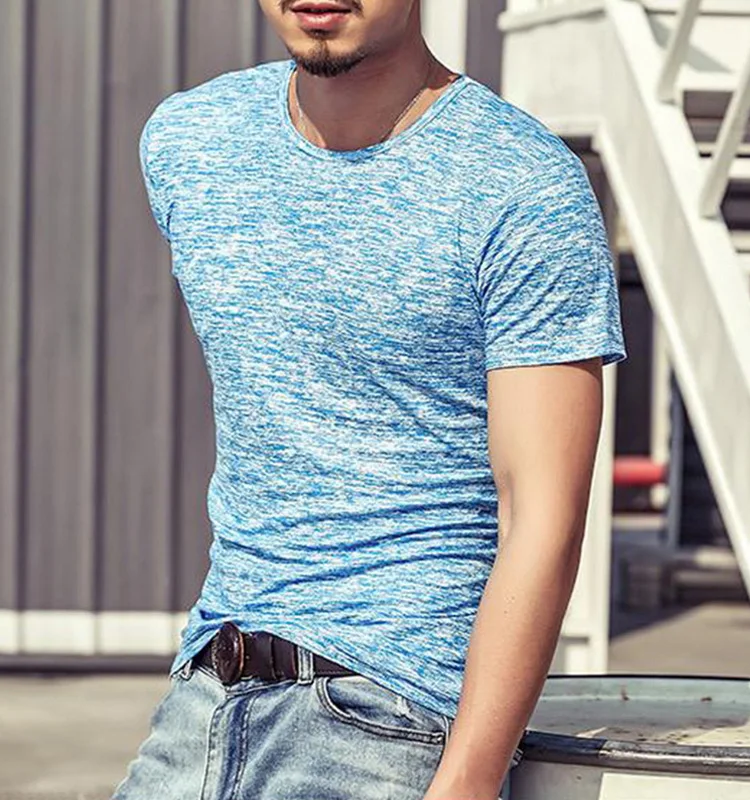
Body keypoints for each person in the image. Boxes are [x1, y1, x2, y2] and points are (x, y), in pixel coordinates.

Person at [113, 1, 627, 798]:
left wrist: (466, 782)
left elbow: (542, 519)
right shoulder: (191, 142)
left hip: (391, 721)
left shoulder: (523, 185)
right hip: (204, 695)